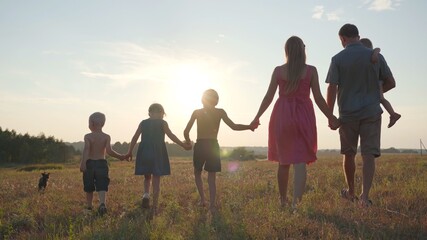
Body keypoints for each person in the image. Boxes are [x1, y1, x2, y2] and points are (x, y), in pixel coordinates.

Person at [251, 36, 340, 209]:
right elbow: (319, 98)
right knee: (300, 162)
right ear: (302, 50)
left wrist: (257, 117)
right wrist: (331, 116)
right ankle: (295, 204)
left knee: (283, 162)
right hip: (303, 116)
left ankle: (282, 200)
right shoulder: (311, 71)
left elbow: (268, 97)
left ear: (287, 51)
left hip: (282, 115)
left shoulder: (278, 71)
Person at [325, 24, 395, 207]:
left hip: (347, 114)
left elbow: (331, 87)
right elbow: (391, 82)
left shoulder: (338, 58)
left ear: (342, 39)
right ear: (358, 35)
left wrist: (330, 115)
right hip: (371, 112)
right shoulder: (376, 56)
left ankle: (351, 192)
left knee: (349, 154)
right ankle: (365, 197)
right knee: (368, 155)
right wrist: (375, 94)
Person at [184, 89, 255, 212]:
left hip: (200, 144)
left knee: (197, 172)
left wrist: (188, 141)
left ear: (202, 99)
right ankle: (211, 205)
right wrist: (249, 127)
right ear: (216, 100)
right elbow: (234, 127)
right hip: (212, 145)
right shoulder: (220, 112)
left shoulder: (196, 112)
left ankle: (202, 200)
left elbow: (186, 131)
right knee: (212, 176)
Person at [126, 103, 191, 214]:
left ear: (149, 113)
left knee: (147, 176)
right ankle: (155, 206)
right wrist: (183, 145)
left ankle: (146, 194)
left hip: (145, 151)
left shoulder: (143, 123)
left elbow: (135, 137)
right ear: (161, 113)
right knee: (156, 178)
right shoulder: (163, 123)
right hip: (158, 152)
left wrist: (129, 151)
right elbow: (171, 136)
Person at [80, 112, 126, 215]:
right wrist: (120, 157)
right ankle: (102, 203)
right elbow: (109, 151)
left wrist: (83, 163)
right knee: (102, 185)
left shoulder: (88, 136)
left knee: (89, 186)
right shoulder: (106, 136)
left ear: (91, 123)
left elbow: (87, 150)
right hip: (102, 163)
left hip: (90, 164)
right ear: (103, 123)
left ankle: (89, 206)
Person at [360, 38, 401, 128]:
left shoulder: (373, 54)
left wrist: (374, 54)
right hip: (377, 82)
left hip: (377, 82)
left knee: (381, 98)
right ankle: (393, 114)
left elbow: (377, 49)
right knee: (381, 98)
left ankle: (393, 114)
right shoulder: (372, 54)